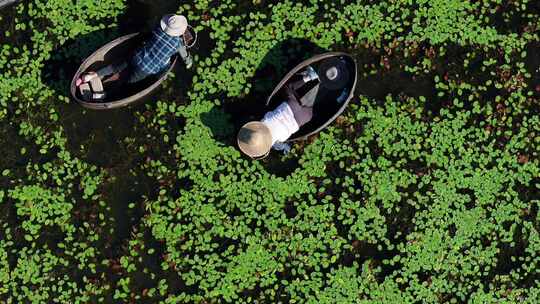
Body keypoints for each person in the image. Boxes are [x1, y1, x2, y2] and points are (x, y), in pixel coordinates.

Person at [237, 57, 350, 159]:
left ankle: (339, 99)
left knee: (318, 110)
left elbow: (285, 147)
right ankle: (309, 77)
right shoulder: (263, 121)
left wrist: (287, 150)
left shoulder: (275, 143)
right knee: (288, 88)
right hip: (292, 105)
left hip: (302, 118)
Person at [76, 14, 194, 99]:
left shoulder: (158, 30)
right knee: (125, 83)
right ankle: (103, 95)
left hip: (136, 56)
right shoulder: (178, 45)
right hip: (146, 69)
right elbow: (185, 57)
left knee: (114, 66)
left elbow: (148, 38)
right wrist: (188, 62)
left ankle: (89, 76)